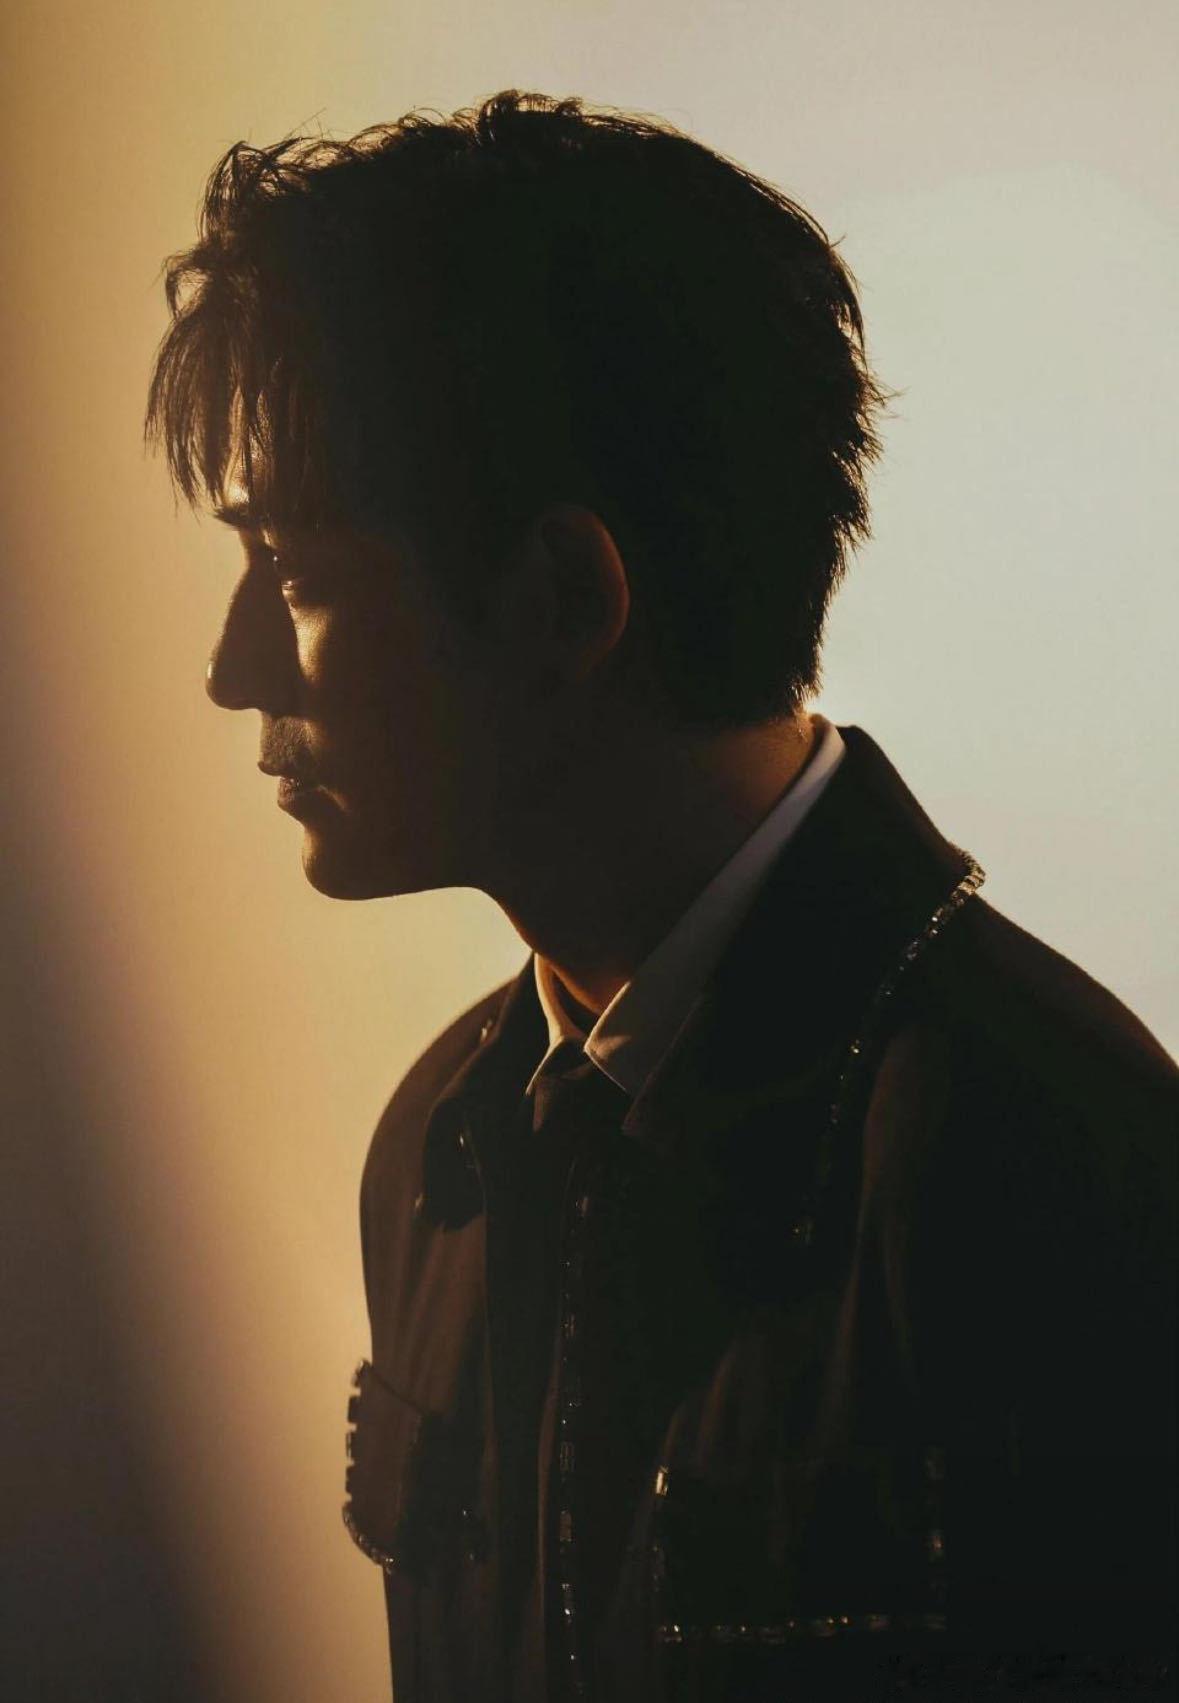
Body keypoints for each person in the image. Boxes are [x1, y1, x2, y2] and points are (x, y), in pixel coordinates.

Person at [145, 89, 1176, 1703]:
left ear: (565, 596)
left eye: (292, 573)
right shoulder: (440, 1148)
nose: (231, 671)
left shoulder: (1054, 1162)